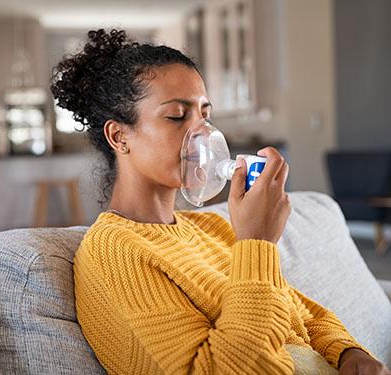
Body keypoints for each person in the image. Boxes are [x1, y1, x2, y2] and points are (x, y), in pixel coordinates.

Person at [50, 29, 389, 375]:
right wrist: (257, 243)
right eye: (177, 116)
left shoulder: (212, 227)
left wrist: (349, 353)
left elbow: (302, 314)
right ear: (119, 136)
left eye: (204, 115)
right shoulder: (114, 252)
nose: (201, 135)